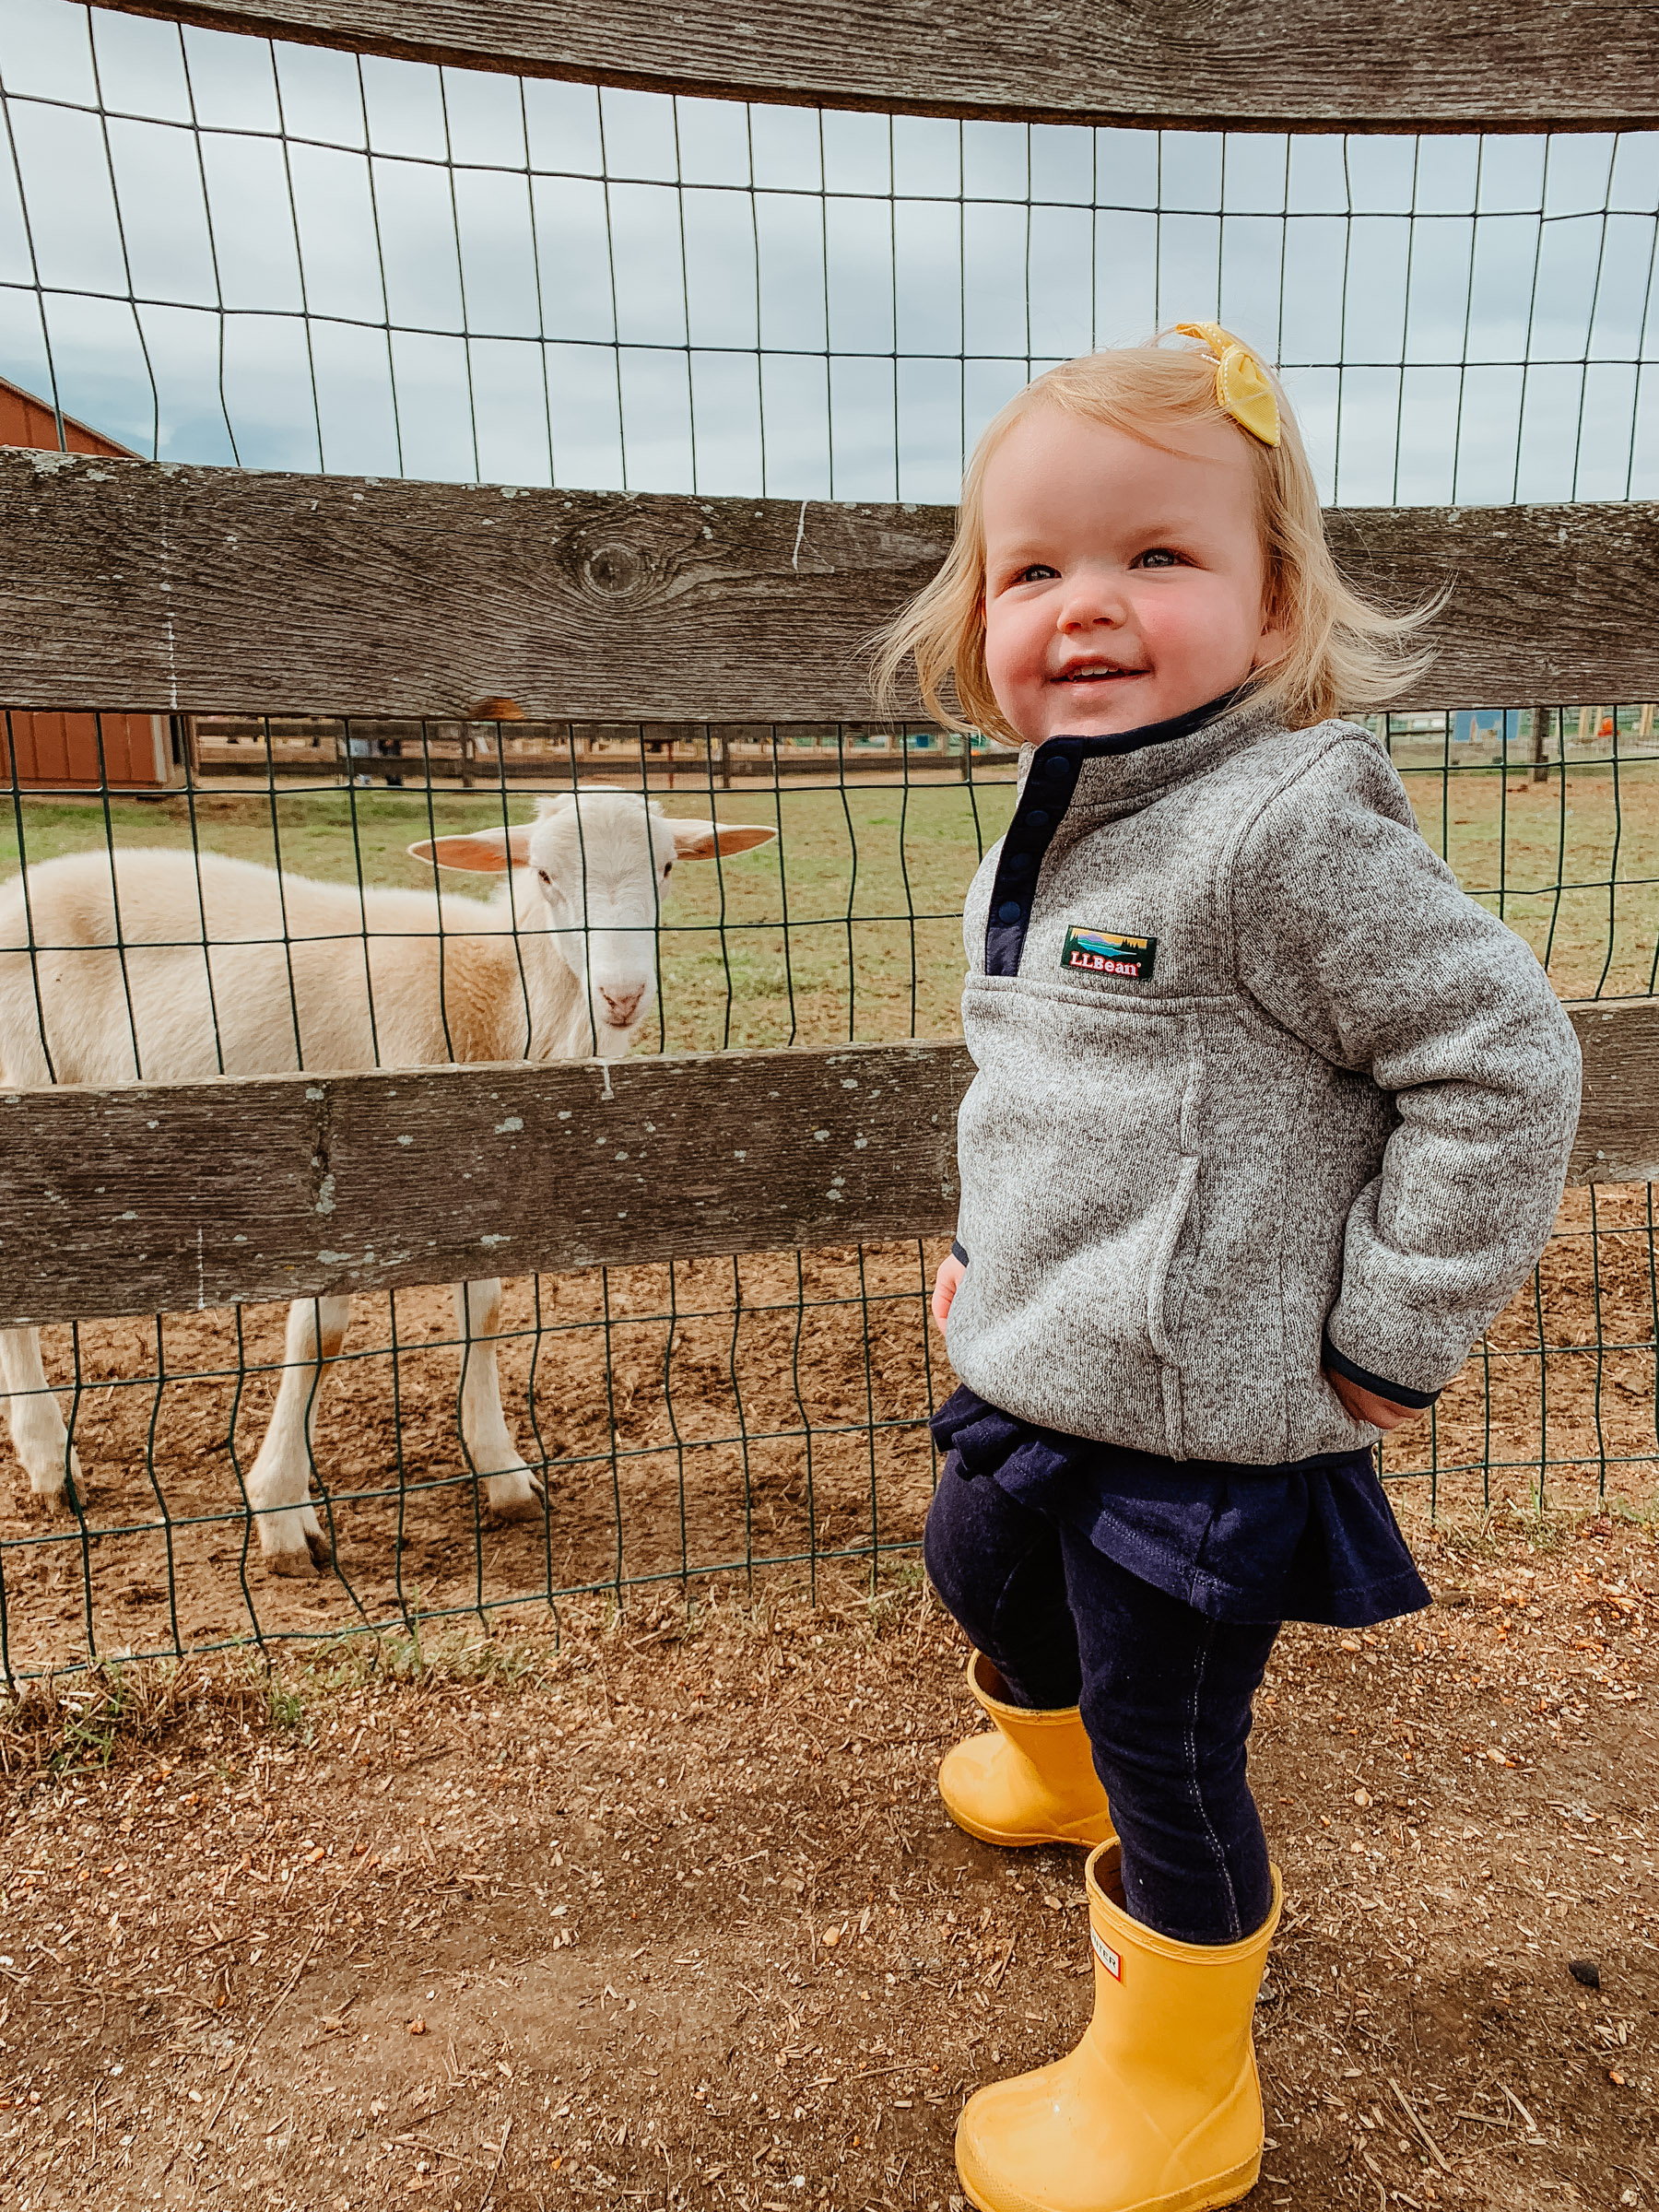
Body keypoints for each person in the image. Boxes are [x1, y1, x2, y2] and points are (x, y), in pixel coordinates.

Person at [873, 325, 1582, 2212]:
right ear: (978, 620)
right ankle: (1056, 1765)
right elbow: (1031, 1099)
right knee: (974, 1561)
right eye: (1034, 569)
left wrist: (1391, 1333)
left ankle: (1181, 2086)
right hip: (1038, 1360)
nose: (1085, 606)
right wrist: (974, 1255)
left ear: (1274, 609)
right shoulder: (1039, 839)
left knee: (1171, 1735)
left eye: (1155, 557)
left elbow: (1506, 1065)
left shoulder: (1284, 835)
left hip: (1200, 1421)